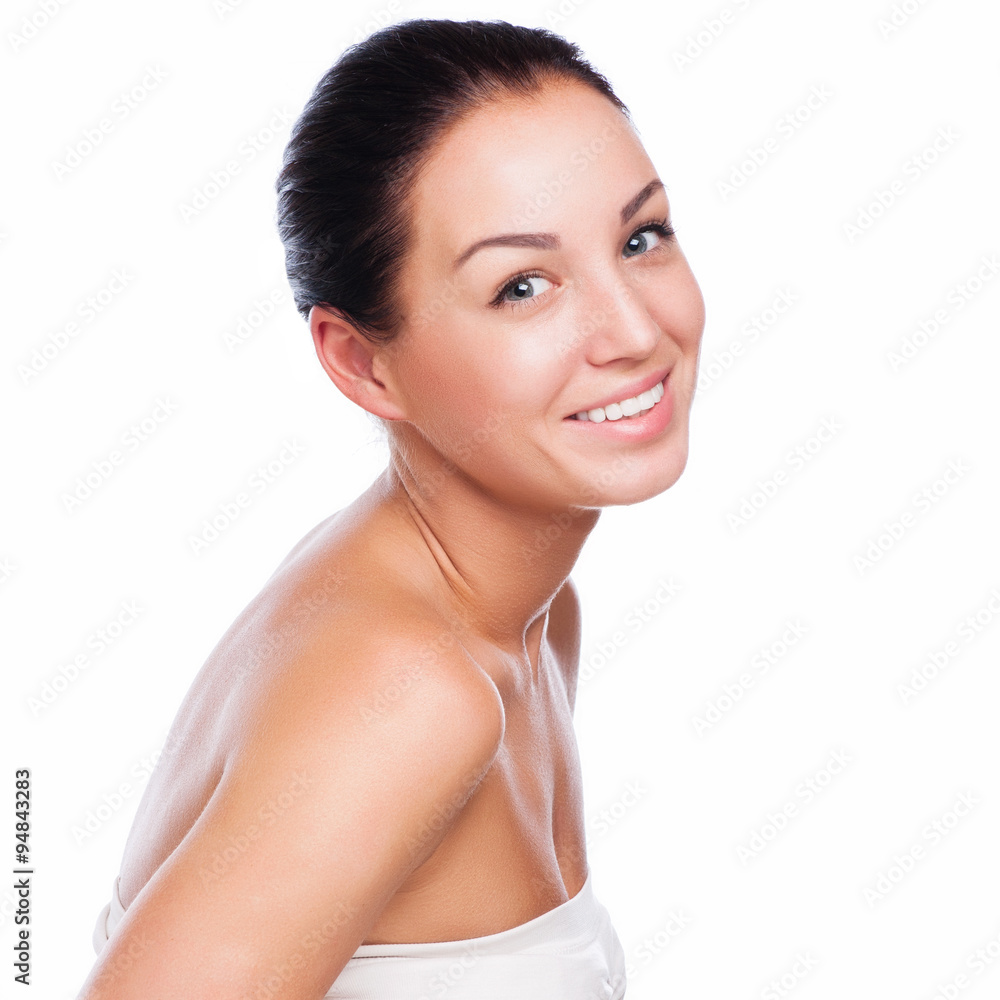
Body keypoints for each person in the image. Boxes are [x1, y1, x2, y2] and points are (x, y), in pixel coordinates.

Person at [79, 18, 704, 1000]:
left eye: (641, 237)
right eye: (521, 286)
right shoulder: (410, 692)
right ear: (364, 363)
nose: (633, 329)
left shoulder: (532, 622)